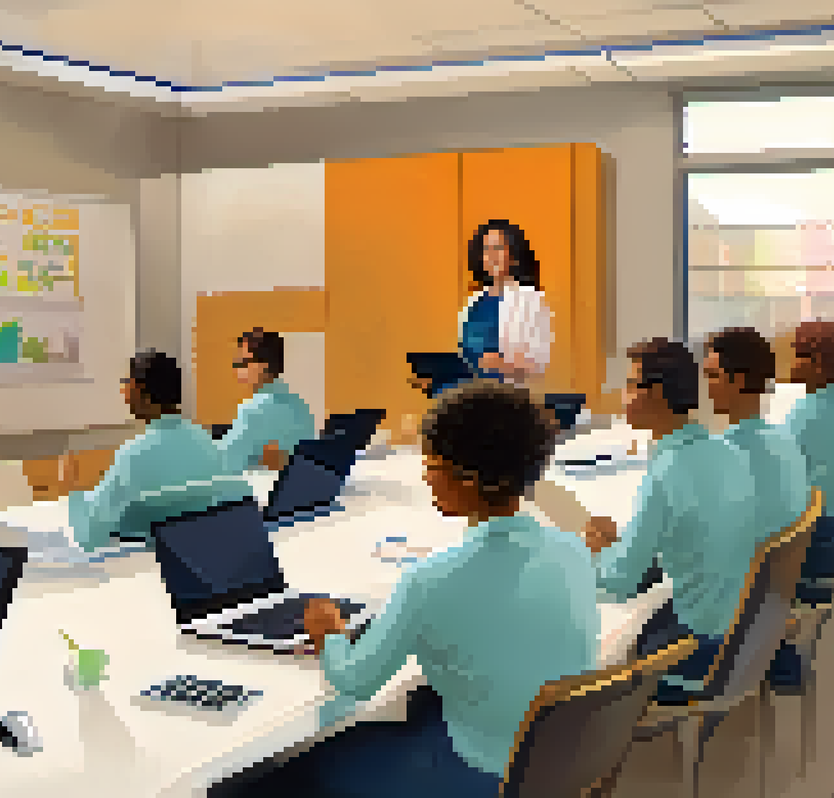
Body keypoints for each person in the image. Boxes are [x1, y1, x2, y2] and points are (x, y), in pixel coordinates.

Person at [211, 380, 599, 797]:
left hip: (478, 776)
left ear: (466, 478)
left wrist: (329, 635)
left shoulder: (432, 579)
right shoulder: (572, 550)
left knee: (259, 780)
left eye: (430, 463)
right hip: (555, 766)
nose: (425, 475)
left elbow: (354, 680)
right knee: (418, 706)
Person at [583, 338, 768, 703]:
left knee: (596, 647)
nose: (623, 395)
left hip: (698, 652)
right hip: (743, 636)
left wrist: (591, 554)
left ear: (655, 394)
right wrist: (625, 547)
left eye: (631, 384)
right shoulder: (727, 451)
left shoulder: (667, 470)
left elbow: (618, 584)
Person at [704, 327, 813, 690]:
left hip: (735, 626)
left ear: (737, 380)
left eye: (713, 376)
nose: (707, 386)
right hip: (769, 613)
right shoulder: (785, 440)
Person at [66, 349, 248, 551]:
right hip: (197, 554)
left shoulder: (132, 456)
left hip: (143, 560)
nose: (123, 391)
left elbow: (89, 537)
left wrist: (73, 491)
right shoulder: (207, 443)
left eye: (126, 382)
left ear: (139, 391)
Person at [779, 320, 834, 715]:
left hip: (817, 559)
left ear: (819, 363)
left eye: (798, 354)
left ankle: (778, 659)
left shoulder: (802, 415)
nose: (791, 363)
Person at [457, 220, 552, 387]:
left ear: (514, 255)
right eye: (486, 249)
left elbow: (540, 362)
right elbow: (464, 356)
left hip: (508, 395)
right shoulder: (473, 303)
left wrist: (502, 364)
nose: (492, 256)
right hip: (468, 393)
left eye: (498, 248)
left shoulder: (530, 301)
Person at [216, 328, 315, 474]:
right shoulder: (301, 406)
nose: (237, 370)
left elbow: (225, 464)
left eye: (242, 362)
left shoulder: (253, 410)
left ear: (264, 364)